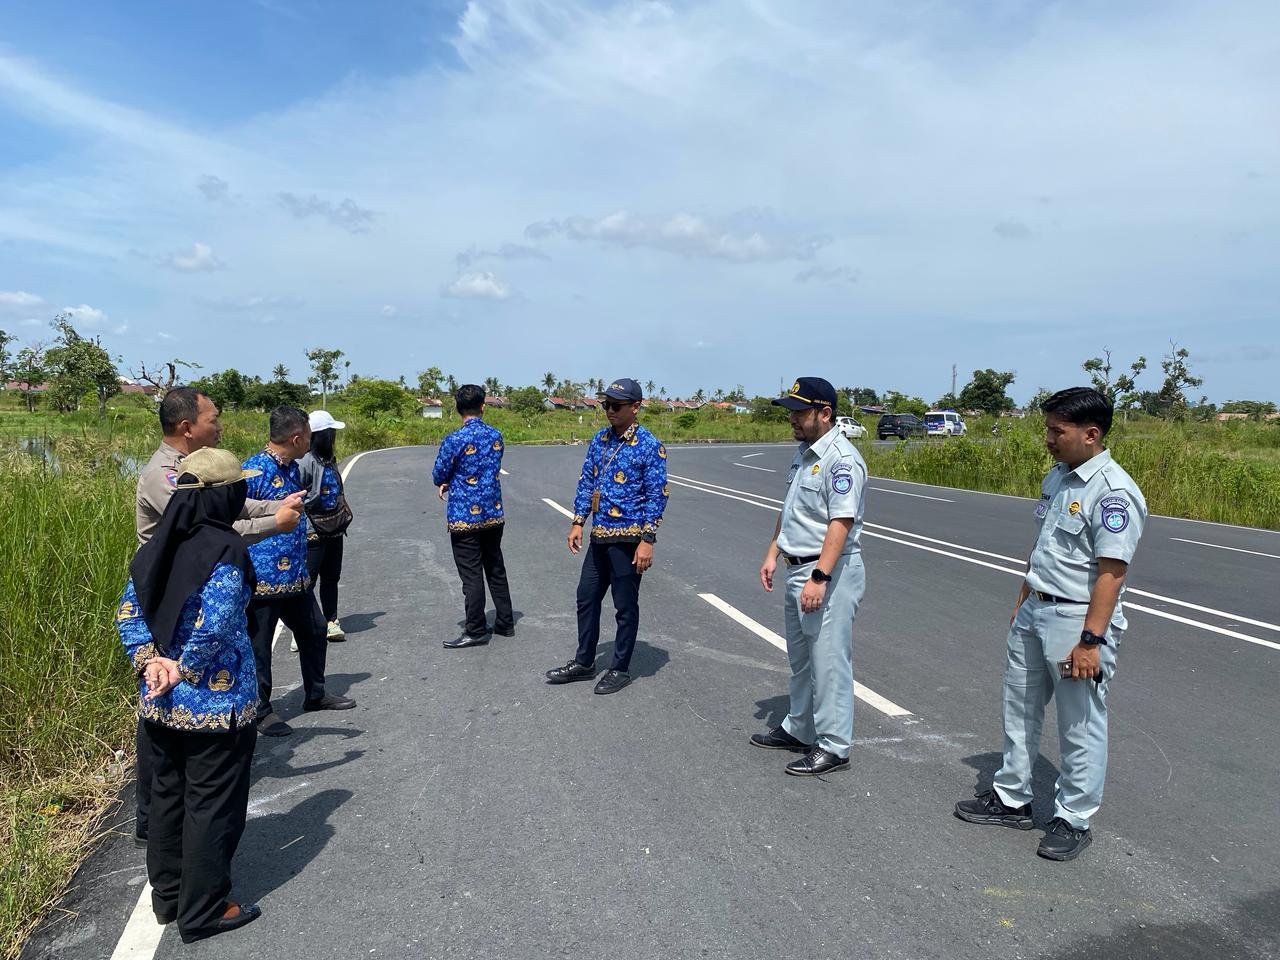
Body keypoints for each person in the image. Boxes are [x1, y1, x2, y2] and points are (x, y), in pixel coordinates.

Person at [955, 387, 1146, 861]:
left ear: (1091, 434)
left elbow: (1112, 572)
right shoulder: (1059, 477)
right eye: (1048, 429)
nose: (1048, 439)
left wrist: (1090, 640)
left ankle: (1072, 817)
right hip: (1037, 609)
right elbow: (1044, 543)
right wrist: (1025, 593)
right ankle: (1011, 798)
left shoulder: (1113, 491)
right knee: (1018, 706)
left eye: (1057, 431)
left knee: (1080, 723)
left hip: (1075, 619)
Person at [131, 387, 303, 846]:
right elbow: (208, 526)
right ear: (187, 426)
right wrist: (275, 523)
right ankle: (154, 821)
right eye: (213, 418)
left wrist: (277, 507)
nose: (219, 425)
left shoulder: (200, 471)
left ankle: (166, 827)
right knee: (164, 720)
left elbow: (232, 504)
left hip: (184, 595)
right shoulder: (165, 476)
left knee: (174, 717)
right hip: (173, 603)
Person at [117, 447, 264, 943]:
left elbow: (130, 614)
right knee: (211, 804)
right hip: (217, 706)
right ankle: (203, 910)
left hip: (160, 703)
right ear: (226, 496)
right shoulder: (225, 548)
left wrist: (150, 664)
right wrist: (183, 667)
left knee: (167, 796)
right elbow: (218, 622)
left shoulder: (155, 547)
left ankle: (169, 897)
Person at [751, 377, 868, 776]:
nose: (793, 419)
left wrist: (820, 575)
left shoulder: (841, 459)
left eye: (800, 412)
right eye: (791, 412)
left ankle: (834, 745)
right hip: (796, 567)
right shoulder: (804, 455)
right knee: (801, 660)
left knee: (829, 661)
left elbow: (841, 522)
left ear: (825, 413)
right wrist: (773, 552)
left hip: (827, 572)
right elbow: (791, 511)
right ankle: (800, 727)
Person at [544, 378, 668, 695]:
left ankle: (620, 667)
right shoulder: (600, 440)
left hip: (629, 540)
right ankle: (585, 662)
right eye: (606, 405)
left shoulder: (649, 446)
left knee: (625, 606)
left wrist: (647, 540)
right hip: (599, 536)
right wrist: (577, 522)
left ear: (636, 407)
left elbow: (657, 496)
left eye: (616, 405)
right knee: (586, 598)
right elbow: (587, 482)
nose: (609, 410)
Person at [243, 406, 355, 737]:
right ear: (296, 438)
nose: (311, 440)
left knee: (316, 630)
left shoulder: (294, 468)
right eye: (308, 435)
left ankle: (315, 694)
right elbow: (234, 521)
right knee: (260, 648)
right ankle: (261, 710)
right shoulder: (252, 472)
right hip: (262, 580)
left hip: (295, 576)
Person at [431, 384, 514, 648]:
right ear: (483, 407)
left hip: (464, 517)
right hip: (493, 513)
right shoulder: (496, 436)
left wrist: (448, 481)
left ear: (457, 409)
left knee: (471, 575)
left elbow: (438, 474)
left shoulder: (454, 440)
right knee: (495, 567)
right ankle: (505, 621)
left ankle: (476, 628)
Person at [297, 409, 351, 645]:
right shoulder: (305, 462)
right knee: (308, 580)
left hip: (334, 529)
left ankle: (331, 621)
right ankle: (303, 627)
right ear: (322, 435)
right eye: (331, 433)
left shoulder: (329, 458)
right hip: (312, 531)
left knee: (332, 577)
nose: (334, 437)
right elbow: (296, 497)